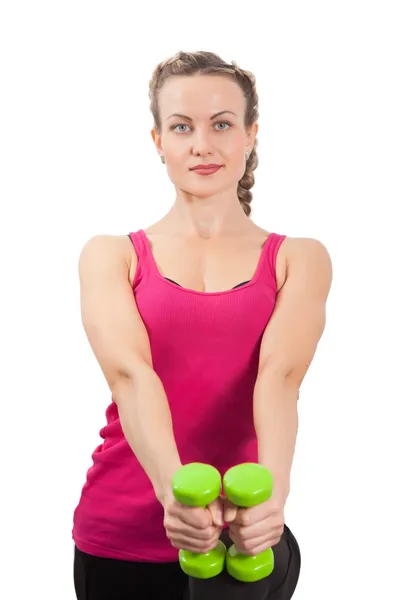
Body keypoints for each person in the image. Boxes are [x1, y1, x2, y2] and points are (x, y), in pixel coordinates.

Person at [72, 50, 332, 599]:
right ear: (158, 141)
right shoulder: (111, 255)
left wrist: (274, 497)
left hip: (246, 537)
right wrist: (173, 491)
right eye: (181, 126)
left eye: (221, 124)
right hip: (121, 531)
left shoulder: (298, 258)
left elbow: (280, 379)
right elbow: (130, 375)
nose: (202, 144)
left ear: (250, 135)